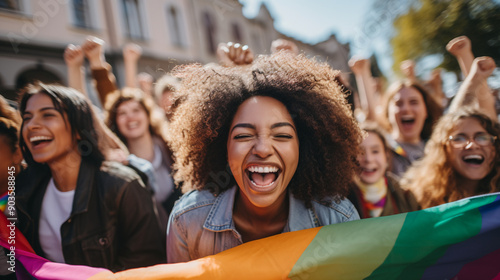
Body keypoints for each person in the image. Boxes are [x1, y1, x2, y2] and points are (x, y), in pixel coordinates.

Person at [166, 53, 363, 263]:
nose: (262, 149)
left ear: (303, 147)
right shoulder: (187, 221)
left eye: (282, 135)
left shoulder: (338, 220)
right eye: (243, 136)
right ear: (223, 147)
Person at [16, 83, 165, 270]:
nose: (32, 125)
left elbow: (146, 264)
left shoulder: (123, 187)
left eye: (48, 115)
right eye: (27, 118)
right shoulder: (23, 191)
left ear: (78, 129)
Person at [402, 57, 499, 208]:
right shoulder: (417, 199)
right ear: (443, 149)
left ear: (495, 148)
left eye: (481, 137)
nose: (472, 145)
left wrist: (476, 76)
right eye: (459, 138)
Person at [348, 122, 419, 218]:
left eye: (375, 151)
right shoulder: (339, 199)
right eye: (360, 152)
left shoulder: (406, 196)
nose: (368, 159)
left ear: (386, 156)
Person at [379, 80, 443, 176]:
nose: (406, 109)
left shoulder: (438, 150)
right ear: (388, 113)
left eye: (414, 102)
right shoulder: (381, 149)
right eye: (399, 103)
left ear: (426, 110)